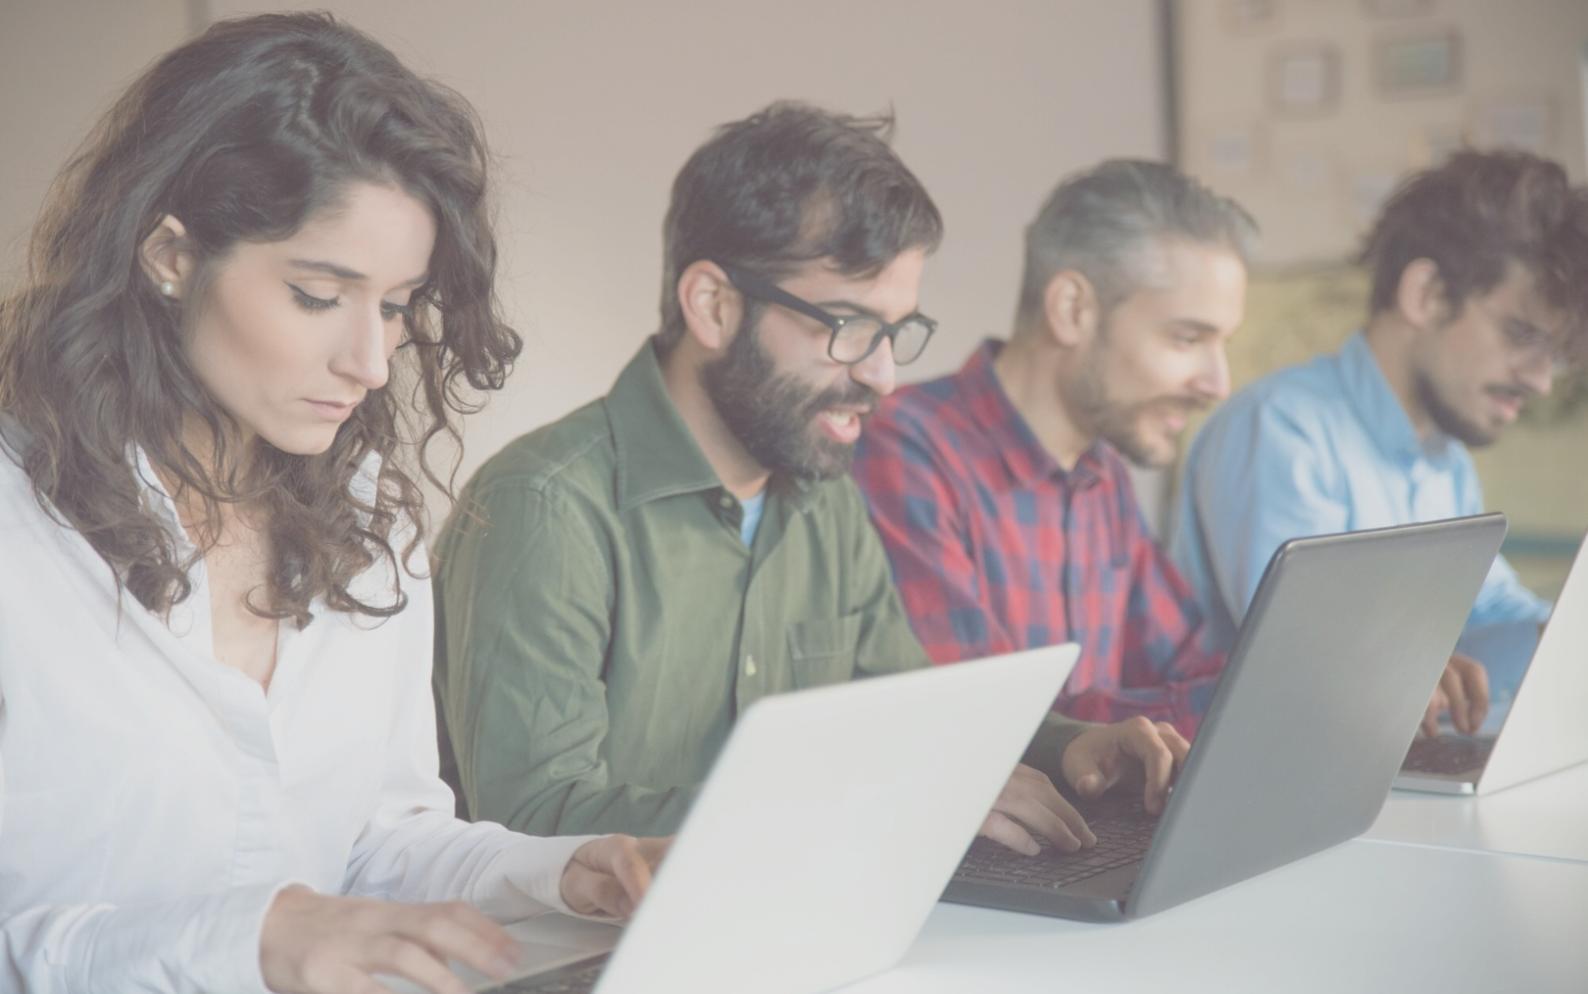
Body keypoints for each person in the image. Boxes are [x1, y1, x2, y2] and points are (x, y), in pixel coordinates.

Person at [0, 15, 663, 994]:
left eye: (396, 305)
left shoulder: (370, 527)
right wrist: (250, 941)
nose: (369, 359)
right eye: (318, 293)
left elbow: (382, 845)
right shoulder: (21, 536)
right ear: (170, 255)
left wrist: (562, 872)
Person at [435, 103, 1190, 862]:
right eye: (848, 327)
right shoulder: (544, 506)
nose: (882, 374)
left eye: (895, 332)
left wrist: (1076, 747)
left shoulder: (824, 497)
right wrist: (882, 801)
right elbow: (534, 819)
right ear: (714, 305)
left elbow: (910, 711)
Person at [1171, 149, 1588, 737]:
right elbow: (1310, 654)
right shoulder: (1280, 430)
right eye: (1520, 333)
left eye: (1555, 354)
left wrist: (1565, 635)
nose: (1541, 381)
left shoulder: (1447, 461)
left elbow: (1489, 609)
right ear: (1427, 294)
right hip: (1278, 777)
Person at [852, 160, 1254, 737]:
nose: (1218, 383)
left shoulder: (1101, 474)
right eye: (1187, 338)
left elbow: (1193, 671)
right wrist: (1256, 705)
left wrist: (1297, 693)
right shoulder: (903, 449)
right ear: (1072, 310)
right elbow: (984, 729)